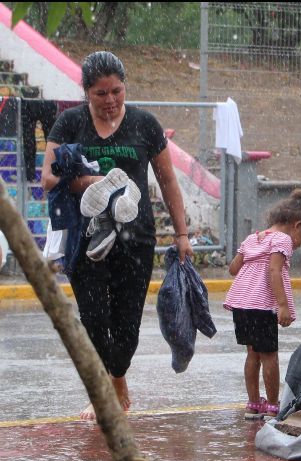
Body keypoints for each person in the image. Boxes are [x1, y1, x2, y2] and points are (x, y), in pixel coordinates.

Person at [41, 51, 193, 420]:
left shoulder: (144, 124)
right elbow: (47, 178)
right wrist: (95, 182)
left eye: (116, 91)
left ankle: (118, 373)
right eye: (100, 94)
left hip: (135, 238)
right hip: (85, 239)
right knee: (94, 319)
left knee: (127, 326)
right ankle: (102, 392)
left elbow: (168, 179)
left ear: (125, 87)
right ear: (86, 93)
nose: (110, 101)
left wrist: (182, 233)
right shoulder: (70, 123)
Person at [223, 188, 301, 420]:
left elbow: (233, 269)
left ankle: (253, 404)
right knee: (269, 355)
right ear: (297, 225)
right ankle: (272, 406)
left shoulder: (252, 238)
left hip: (241, 304)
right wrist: (283, 305)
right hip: (261, 305)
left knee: (252, 354)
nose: (300, 244)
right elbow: (274, 270)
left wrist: (250, 258)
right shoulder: (282, 239)